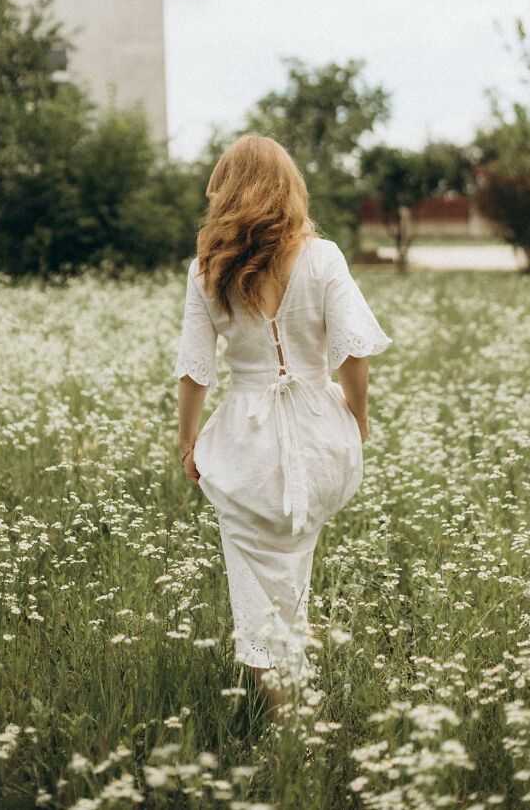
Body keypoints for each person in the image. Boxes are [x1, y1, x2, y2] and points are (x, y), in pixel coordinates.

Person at [173, 134, 392, 722]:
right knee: (295, 555)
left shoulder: (205, 272)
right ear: (287, 186)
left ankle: (280, 692)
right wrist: (358, 421)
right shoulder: (323, 258)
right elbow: (352, 356)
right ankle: (294, 680)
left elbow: (195, 372)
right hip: (318, 429)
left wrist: (187, 441)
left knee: (252, 567)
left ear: (226, 189)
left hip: (245, 438)